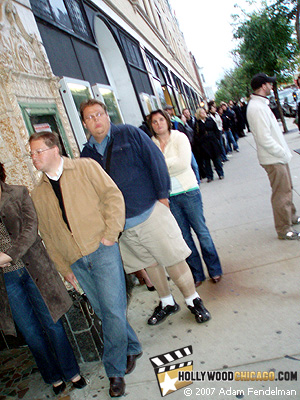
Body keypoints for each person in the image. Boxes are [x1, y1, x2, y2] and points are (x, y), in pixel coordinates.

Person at [29, 131, 142, 398]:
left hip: (101, 249)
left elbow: (113, 197)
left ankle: (114, 371)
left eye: (38, 152)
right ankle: (133, 346)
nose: (33, 157)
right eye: (31, 153)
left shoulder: (85, 167)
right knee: (104, 312)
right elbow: (48, 234)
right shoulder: (38, 194)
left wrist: (110, 235)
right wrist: (63, 267)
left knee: (113, 310)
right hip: (76, 261)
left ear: (54, 149)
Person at [80, 99, 211, 326]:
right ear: (84, 123)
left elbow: (156, 160)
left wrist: (162, 197)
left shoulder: (129, 134)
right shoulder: (86, 154)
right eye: (90, 117)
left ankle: (193, 300)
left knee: (173, 259)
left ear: (107, 115)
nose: (96, 120)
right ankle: (167, 301)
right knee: (150, 264)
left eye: (99, 114)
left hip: (150, 211)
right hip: (123, 224)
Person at [0, 162, 86, 395]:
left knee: (53, 323)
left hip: (34, 269)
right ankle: (53, 376)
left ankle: (71, 372)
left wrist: (8, 255)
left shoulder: (18, 193)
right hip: (6, 281)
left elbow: (31, 228)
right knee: (30, 332)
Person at [149, 110, 223, 286]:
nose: (158, 123)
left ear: (167, 121)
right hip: (169, 196)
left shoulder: (179, 137)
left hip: (189, 191)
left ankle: (214, 270)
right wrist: (168, 164)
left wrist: (162, 166)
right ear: (151, 125)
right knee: (184, 238)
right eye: (154, 121)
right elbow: (152, 169)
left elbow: (183, 164)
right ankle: (197, 274)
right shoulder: (151, 143)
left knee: (202, 232)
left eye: (161, 119)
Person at [247, 73, 300, 240]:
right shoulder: (256, 108)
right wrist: (282, 152)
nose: (272, 86)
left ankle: (290, 217)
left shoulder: (260, 105)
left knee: (286, 189)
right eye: (270, 84)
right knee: (281, 193)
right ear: (263, 86)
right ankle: (284, 229)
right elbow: (264, 138)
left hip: (276, 157)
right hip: (273, 158)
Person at [194, 108, 224, 182]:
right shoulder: (197, 123)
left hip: (213, 142)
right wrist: (200, 141)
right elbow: (196, 134)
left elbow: (216, 129)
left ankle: (220, 173)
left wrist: (216, 138)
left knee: (216, 159)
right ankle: (209, 176)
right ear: (199, 114)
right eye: (202, 113)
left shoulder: (210, 120)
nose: (204, 113)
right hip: (204, 144)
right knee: (207, 161)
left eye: (204, 112)